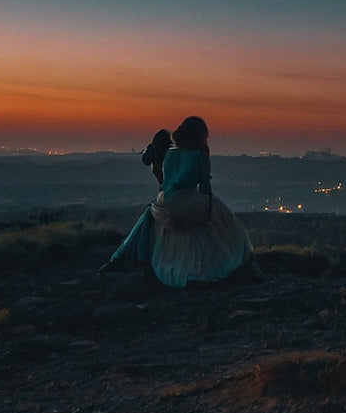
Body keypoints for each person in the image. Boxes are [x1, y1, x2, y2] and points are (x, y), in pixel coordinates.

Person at [101, 116, 255, 287]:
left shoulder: (170, 154)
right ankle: (229, 260)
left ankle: (120, 256)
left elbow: (165, 184)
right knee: (222, 216)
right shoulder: (199, 155)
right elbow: (205, 188)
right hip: (186, 201)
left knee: (149, 215)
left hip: (165, 203)